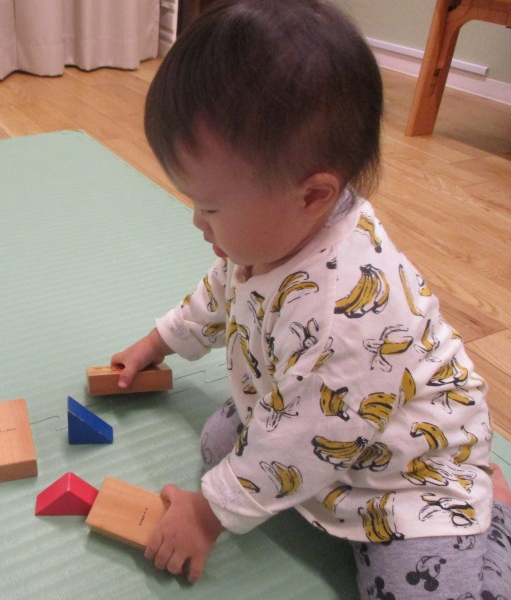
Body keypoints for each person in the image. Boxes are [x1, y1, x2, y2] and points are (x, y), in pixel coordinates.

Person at [110, 1, 511, 596]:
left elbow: (304, 434)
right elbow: (222, 295)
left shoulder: (348, 313)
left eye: (210, 207)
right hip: (331, 425)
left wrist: (207, 514)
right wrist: (158, 342)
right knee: (221, 444)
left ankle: (493, 516)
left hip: (409, 477)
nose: (196, 222)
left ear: (313, 195)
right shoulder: (273, 236)